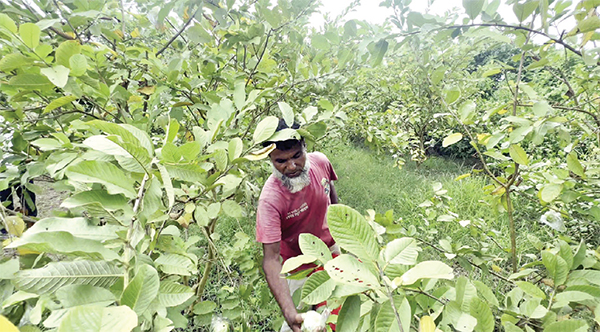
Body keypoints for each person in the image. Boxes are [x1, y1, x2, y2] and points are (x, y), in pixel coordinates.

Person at [256, 119, 339, 332]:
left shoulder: (321, 162)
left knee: (333, 318)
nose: (291, 166)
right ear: (270, 159)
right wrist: (290, 312)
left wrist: (344, 236)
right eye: (281, 161)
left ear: (305, 147)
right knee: (299, 325)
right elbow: (271, 259)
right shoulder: (270, 200)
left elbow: (333, 199)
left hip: (330, 252)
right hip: (297, 267)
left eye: (296, 156)